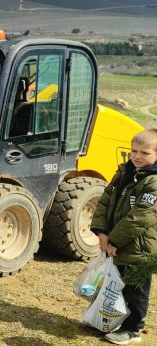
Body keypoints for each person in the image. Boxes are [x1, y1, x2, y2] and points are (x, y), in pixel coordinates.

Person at [92, 128, 157, 345]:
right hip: (115, 243)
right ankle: (111, 319)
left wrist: (115, 240)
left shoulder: (153, 182)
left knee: (135, 289)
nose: (137, 156)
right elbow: (105, 201)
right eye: (133, 151)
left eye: (145, 153)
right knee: (115, 285)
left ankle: (133, 329)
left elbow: (141, 217)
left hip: (141, 248)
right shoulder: (124, 172)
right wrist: (101, 231)